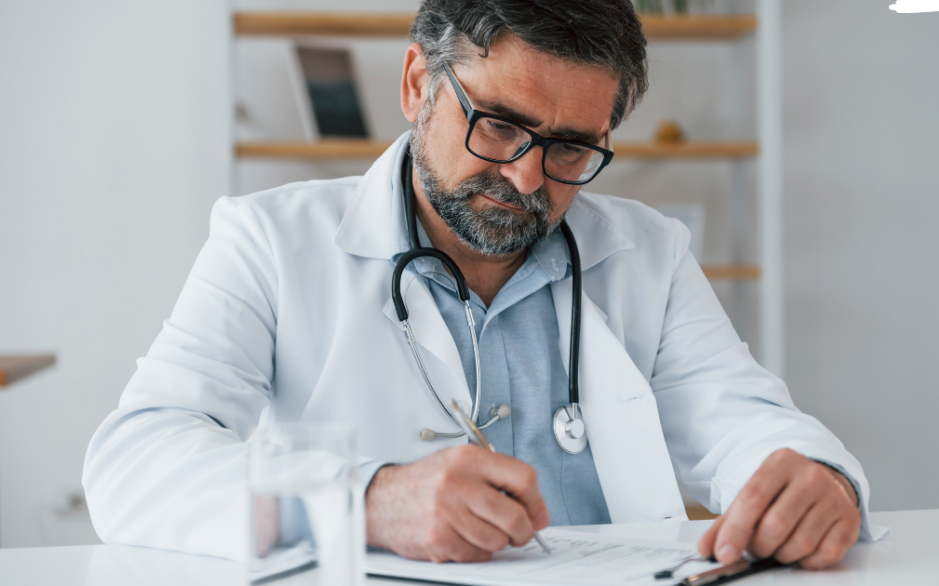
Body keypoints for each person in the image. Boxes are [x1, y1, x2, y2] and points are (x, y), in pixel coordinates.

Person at [83, 0, 880, 570]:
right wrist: (367, 500)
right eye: (497, 123)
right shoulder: (269, 242)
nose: (526, 174)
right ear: (416, 86)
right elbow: (135, 462)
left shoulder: (648, 254)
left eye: (571, 147)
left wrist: (816, 479)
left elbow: (746, 424)